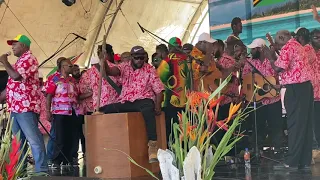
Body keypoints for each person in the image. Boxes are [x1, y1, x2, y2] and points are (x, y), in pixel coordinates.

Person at [100, 46, 164, 163]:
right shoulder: (124, 66)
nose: (140, 60)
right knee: (106, 109)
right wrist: (103, 60)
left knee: (148, 110)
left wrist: (158, 106)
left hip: (143, 99)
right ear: (132, 57)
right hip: (127, 100)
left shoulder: (149, 69)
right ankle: (107, 146)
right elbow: (109, 71)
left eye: (142, 57)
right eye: (137, 58)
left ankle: (152, 146)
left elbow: (159, 90)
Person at [263, 30, 313, 170]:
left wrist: (269, 56)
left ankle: (292, 162)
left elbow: (279, 68)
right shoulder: (296, 45)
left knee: (295, 125)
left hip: (295, 89)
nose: (276, 43)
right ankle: (304, 160)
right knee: (305, 125)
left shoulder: (288, 47)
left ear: (282, 37)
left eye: (277, 40)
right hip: (306, 88)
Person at [0, 34, 48, 172]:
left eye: (15, 44)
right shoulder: (19, 62)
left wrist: (4, 61)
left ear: (24, 45)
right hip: (15, 108)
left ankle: (42, 171)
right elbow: (11, 86)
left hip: (26, 107)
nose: (12, 47)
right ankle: (20, 171)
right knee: (18, 143)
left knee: (34, 140)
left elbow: (15, 77)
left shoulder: (29, 59)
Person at [242, 38, 283, 154]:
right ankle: (258, 149)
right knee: (258, 126)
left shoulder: (272, 61)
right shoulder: (250, 62)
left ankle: (278, 149)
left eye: (254, 49)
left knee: (276, 125)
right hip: (258, 100)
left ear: (260, 49)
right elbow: (245, 79)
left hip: (273, 99)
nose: (251, 51)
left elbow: (279, 74)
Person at [46, 57, 79, 168]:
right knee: (59, 137)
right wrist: (48, 111)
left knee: (72, 136)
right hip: (59, 111)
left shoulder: (73, 80)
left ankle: (69, 159)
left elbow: (77, 95)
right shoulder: (54, 78)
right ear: (63, 67)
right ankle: (56, 160)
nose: (72, 67)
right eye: (70, 66)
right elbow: (48, 95)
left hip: (73, 111)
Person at [311, 29, 320, 162]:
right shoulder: (307, 53)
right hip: (312, 96)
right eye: (316, 37)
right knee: (315, 125)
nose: (318, 39)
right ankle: (316, 149)